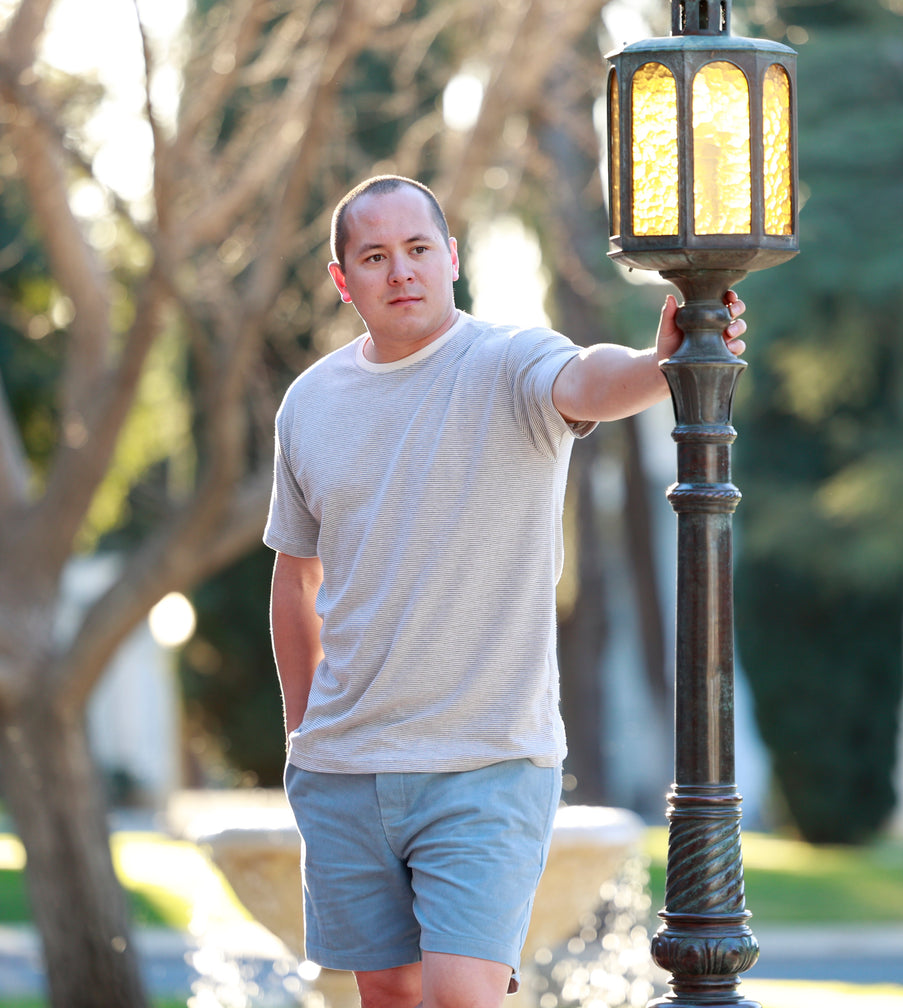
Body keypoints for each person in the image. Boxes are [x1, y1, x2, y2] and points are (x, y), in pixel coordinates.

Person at [264, 174, 746, 1008]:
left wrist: (660, 359)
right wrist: (302, 734)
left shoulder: (511, 362)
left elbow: (593, 381)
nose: (401, 271)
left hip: (487, 759)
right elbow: (295, 581)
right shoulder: (308, 404)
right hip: (345, 763)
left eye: (418, 249)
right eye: (374, 257)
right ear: (343, 280)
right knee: (387, 994)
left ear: (451, 257)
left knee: (462, 995)